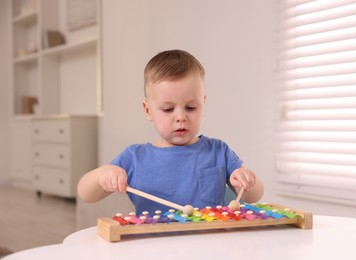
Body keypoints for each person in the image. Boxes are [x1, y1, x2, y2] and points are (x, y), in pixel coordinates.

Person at [77, 49, 264, 215]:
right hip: (156, 245)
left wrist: (247, 180)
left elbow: (254, 196)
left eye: (191, 107)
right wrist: (104, 174)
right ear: (148, 110)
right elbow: (86, 194)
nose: (180, 117)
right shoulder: (134, 157)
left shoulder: (218, 151)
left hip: (210, 244)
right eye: (168, 109)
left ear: (203, 106)